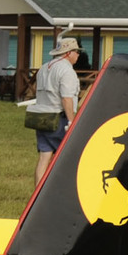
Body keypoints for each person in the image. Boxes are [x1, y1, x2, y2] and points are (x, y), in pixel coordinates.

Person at [29, 37, 83, 185]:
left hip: (41, 116)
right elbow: (66, 98)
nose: (78, 55)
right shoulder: (67, 71)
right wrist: (71, 121)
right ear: (68, 53)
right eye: (76, 51)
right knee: (66, 158)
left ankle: (38, 196)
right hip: (59, 118)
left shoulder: (45, 67)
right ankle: (60, 191)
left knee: (44, 157)